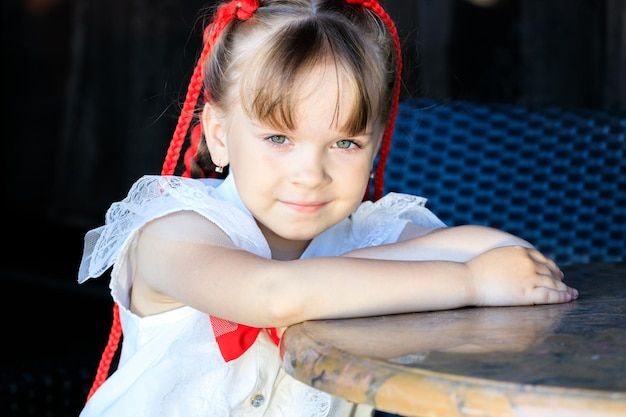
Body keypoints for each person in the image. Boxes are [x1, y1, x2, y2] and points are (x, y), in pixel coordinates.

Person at [77, 0, 578, 416]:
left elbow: (505, 250)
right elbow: (272, 294)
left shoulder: (366, 232)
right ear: (219, 135)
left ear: (377, 143)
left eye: (344, 144)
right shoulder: (177, 232)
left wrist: (382, 265)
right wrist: (471, 282)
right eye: (278, 137)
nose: (310, 174)